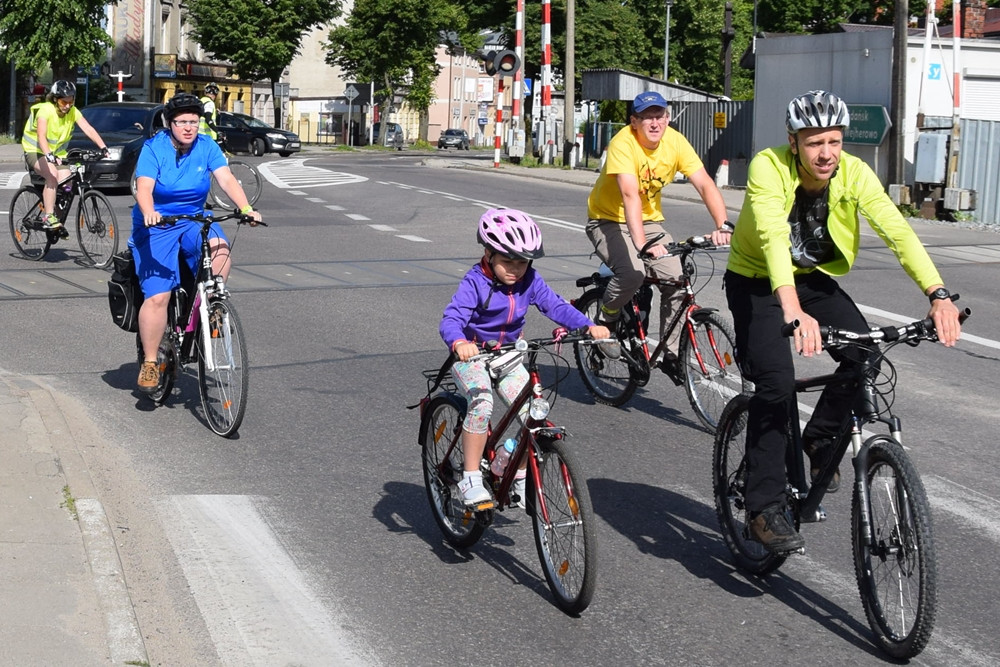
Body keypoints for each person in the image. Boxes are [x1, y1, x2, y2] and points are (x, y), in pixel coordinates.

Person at [724, 90, 962, 553]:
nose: (826, 153)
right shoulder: (767, 166)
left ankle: (817, 440)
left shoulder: (854, 172)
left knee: (865, 354)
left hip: (810, 278)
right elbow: (772, 235)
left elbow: (897, 231)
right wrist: (791, 309)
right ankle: (763, 507)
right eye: (815, 143)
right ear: (794, 142)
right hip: (757, 281)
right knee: (776, 383)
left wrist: (938, 295)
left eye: (834, 141)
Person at [440, 209, 612, 506]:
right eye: (508, 261)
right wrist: (459, 342)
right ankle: (470, 477)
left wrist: (587, 325)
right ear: (488, 253)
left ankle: (517, 472)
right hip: (472, 357)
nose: (516, 269)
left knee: (536, 414)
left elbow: (555, 305)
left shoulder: (529, 280)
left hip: (508, 356)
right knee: (481, 404)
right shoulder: (474, 282)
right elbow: (452, 318)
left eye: (522, 262)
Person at [586, 90, 732, 376]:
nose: (654, 123)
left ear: (667, 118)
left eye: (659, 116)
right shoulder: (623, 143)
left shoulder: (675, 142)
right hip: (607, 220)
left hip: (649, 221)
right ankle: (607, 319)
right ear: (634, 122)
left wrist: (723, 224)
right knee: (633, 273)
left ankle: (672, 354)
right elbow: (630, 195)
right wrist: (641, 245)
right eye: (647, 117)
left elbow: (704, 183)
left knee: (677, 281)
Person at [131, 93, 262, 393]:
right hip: (158, 224)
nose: (189, 127)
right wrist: (149, 212)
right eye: (182, 122)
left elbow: (226, 179)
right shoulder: (154, 148)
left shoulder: (207, 145)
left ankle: (212, 307)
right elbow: (144, 187)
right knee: (158, 297)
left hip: (194, 218)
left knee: (221, 252)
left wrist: (245, 208)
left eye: (194, 121)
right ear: (170, 123)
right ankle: (150, 361)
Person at [21, 80, 110, 231]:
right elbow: (41, 136)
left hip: (57, 155)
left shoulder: (73, 111)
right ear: (55, 99)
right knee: (52, 175)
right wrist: (48, 154)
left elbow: (88, 129)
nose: (68, 106)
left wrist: (103, 147)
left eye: (71, 101)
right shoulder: (45, 110)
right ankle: (48, 216)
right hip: (35, 151)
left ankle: (56, 221)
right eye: (64, 102)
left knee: (68, 182)